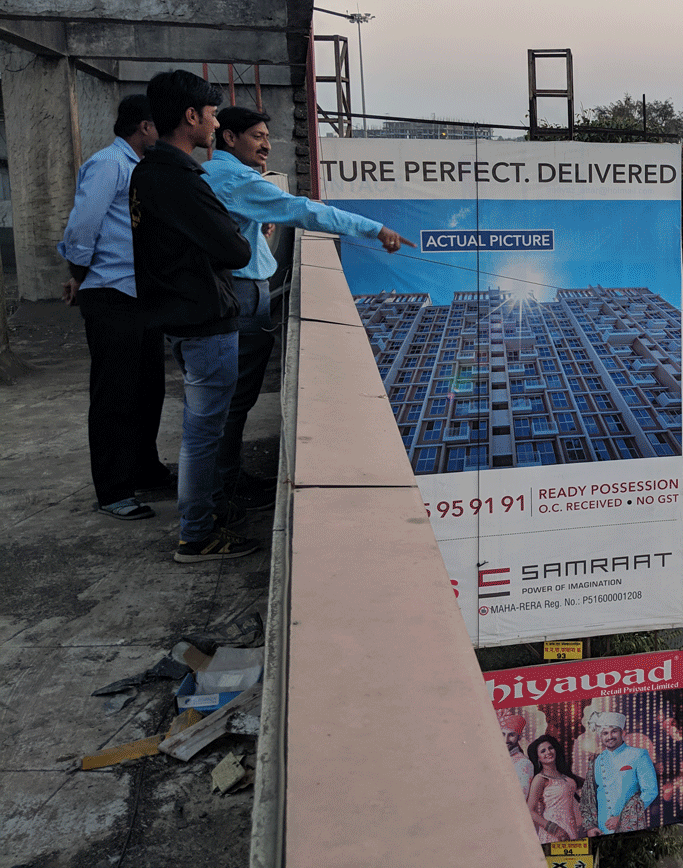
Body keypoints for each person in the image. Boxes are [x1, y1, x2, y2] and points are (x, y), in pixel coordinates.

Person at [201, 106, 415, 509]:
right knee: (232, 401)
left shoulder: (217, 175)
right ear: (228, 137)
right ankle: (222, 491)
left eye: (267, 136)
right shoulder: (234, 178)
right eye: (257, 136)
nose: (267, 145)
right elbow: (306, 210)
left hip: (235, 293)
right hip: (239, 295)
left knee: (230, 401)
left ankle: (224, 481)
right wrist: (375, 229)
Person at [129, 70, 257, 562]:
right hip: (204, 320)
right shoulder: (180, 177)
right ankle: (197, 533)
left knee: (200, 429)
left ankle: (202, 517)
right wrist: (241, 235)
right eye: (210, 115)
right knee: (204, 433)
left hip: (181, 317)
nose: (214, 122)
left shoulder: (147, 170)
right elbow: (235, 249)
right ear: (190, 117)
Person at [57, 95, 172, 520]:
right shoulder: (109, 164)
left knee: (148, 390)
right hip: (113, 295)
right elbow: (81, 228)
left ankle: (144, 469)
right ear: (144, 127)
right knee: (115, 397)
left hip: (141, 294)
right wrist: (82, 276)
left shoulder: (142, 167)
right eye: (159, 125)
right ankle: (113, 490)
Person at [581, 710, 659, 835]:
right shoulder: (596, 760)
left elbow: (651, 790)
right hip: (600, 828)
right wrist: (590, 827)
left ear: (622, 732)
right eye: (605, 733)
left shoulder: (639, 754)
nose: (609, 736)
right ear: (600, 736)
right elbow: (588, 796)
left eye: (614, 731)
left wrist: (623, 817)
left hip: (630, 826)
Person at [527, 733, 585, 843]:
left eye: (550, 748)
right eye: (543, 751)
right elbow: (530, 811)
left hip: (572, 828)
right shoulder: (540, 778)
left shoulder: (565, 775)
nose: (548, 752)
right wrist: (554, 829)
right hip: (554, 832)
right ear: (538, 758)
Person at [500, 713, 534, 796]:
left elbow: (521, 796)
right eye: (503, 734)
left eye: (511, 735)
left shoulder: (523, 763)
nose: (506, 740)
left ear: (519, 737)